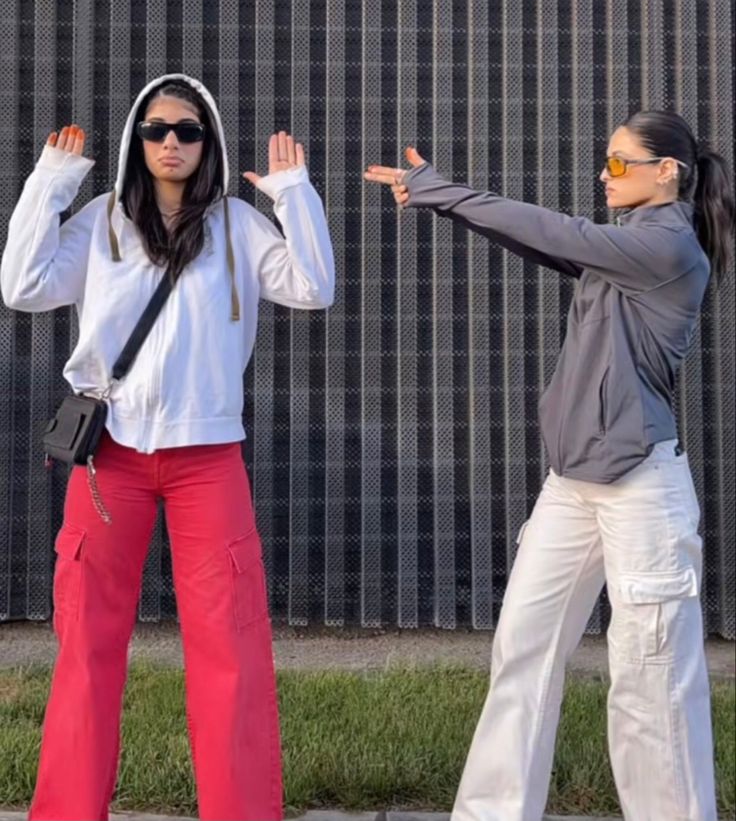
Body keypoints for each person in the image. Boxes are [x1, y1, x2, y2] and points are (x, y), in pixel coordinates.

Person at [365, 110, 734, 821]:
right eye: (606, 160)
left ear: (669, 173)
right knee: (523, 651)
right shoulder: (627, 241)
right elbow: (536, 239)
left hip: (639, 492)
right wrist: (444, 202)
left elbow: (555, 232)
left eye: (621, 162)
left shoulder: (668, 246)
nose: (605, 173)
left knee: (651, 683)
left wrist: (442, 191)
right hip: (574, 486)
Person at [1, 73, 335, 821]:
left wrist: (292, 192)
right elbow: (21, 285)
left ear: (208, 141)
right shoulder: (102, 222)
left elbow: (314, 285)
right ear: (136, 141)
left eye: (187, 130)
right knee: (85, 649)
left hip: (207, 461)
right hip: (109, 459)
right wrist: (49, 184)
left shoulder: (238, 227)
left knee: (233, 655)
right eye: (157, 130)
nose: (172, 143)